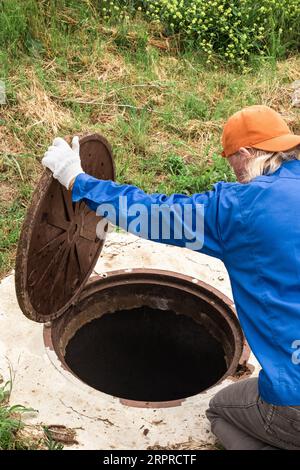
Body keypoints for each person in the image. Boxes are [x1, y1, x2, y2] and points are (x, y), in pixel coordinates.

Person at [42, 105, 300, 450]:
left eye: (231, 160)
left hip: (293, 398)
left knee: (221, 413)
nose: (233, 170)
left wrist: (78, 179)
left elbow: (155, 215)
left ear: (245, 154)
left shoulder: (240, 210)